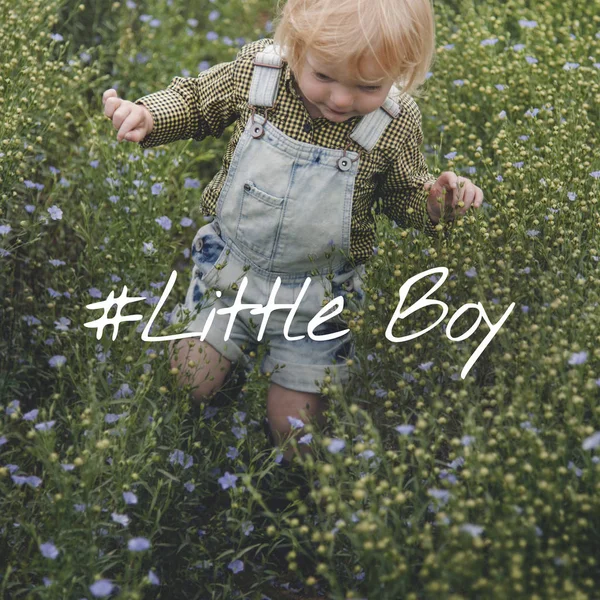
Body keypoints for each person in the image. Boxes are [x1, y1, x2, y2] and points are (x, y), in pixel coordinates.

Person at [102, 0, 483, 468]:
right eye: (324, 76)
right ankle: (221, 384)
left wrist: (435, 203)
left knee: (294, 432)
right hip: (231, 270)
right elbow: (197, 101)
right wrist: (150, 115)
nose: (341, 100)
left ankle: (295, 468)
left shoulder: (394, 122)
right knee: (190, 380)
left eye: (368, 86)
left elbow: (402, 194)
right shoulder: (258, 73)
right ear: (296, 45)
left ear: (400, 73)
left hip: (316, 296)